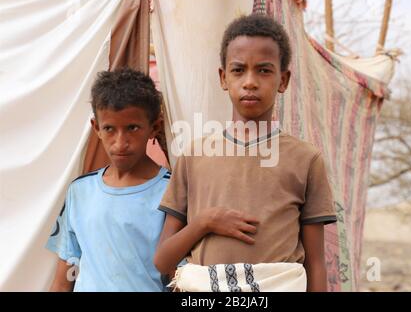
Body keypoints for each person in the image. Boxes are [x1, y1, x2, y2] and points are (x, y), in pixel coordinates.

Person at [154, 14, 336, 292]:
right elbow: (162, 260)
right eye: (239, 70)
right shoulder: (194, 156)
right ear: (223, 77)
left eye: (264, 70)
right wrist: (206, 221)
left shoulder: (306, 160)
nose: (250, 82)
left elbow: (315, 264)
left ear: (283, 80)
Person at [46, 68, 170, 291]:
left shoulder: (172, 192)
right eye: (110, 129)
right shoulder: (80, 192)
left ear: (154, 127)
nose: (120, 143)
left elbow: (178, 281)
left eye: (132, 128)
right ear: (97, 128)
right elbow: (63, 282)